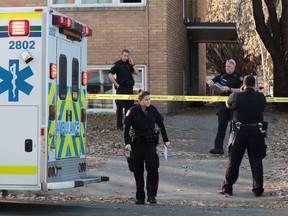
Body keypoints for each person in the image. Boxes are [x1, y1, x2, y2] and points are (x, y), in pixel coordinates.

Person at [220, 75, 267, 196]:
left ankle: (228, 188)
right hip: (256, 132)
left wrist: (239, 93)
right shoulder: (260, 97)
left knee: (234, 161)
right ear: (254, 85)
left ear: (244, 84)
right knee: (256, 161)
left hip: (239, 132)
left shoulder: (236, 96)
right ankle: (257, 189)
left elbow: (228, 104)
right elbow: (262, 107)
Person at [124, 89, 170, 204]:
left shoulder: (153, 110)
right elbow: (127, 129)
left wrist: (166, 139)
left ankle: (151, 195)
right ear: (140, 101)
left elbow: (161, 124)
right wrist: (127, 143)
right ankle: (140, 196)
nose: (148, 101)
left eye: (149, 99)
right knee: (137, 171)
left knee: (152, 169)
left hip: (150, 145)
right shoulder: (133, 111)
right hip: (137, 145)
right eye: (146, 100)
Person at [206, 59, 243, 154]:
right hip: (223, 105)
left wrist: (229, 89)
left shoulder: (239, 76)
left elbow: (242, 90)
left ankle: (235, 149)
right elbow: (212, 80)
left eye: (229, 67)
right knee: (221, 126)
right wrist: (210, 82)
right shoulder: (222, 75)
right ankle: (218, 148)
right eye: (226, 66)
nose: (227, 68)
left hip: (235, 105)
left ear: (234, 67)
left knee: (235, 127)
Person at [108, 49, 139, 131]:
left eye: (127, 56)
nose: (126, 57)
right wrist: (116, 84)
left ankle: (128, 124)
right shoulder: (117, 64)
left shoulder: (129, 64)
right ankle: (119, 126)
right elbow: (110, 75)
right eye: (125, 55)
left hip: (129, 89)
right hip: (121, 88)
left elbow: (137, 72)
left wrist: (133, 63)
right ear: (121, 55)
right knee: (119, 108)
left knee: (129, 108)